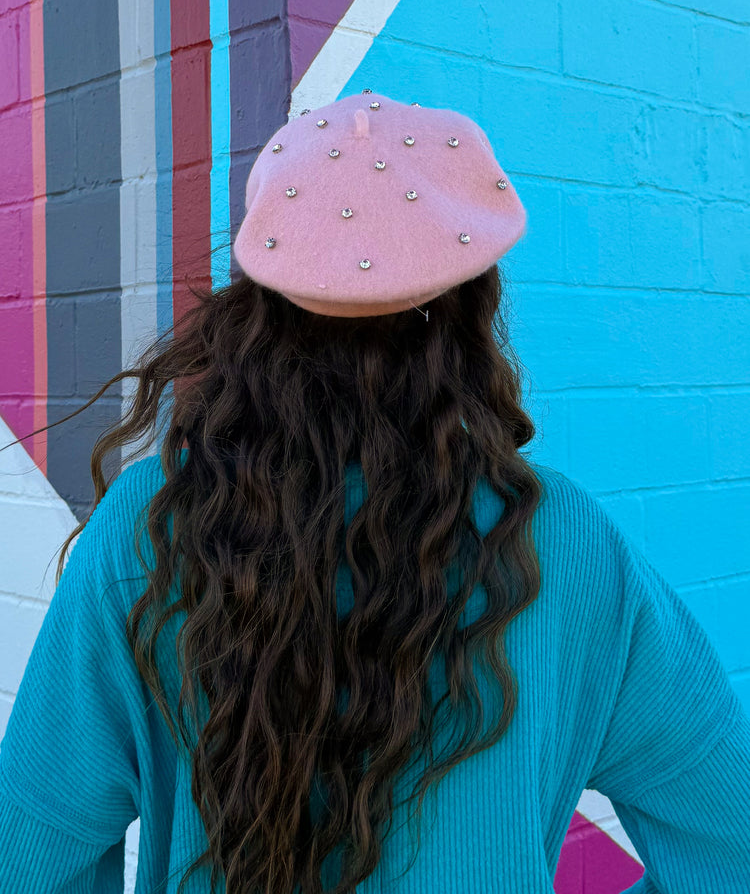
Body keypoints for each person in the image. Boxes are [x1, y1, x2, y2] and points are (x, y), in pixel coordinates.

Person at [0, 90, 748, 894]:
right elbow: (724, 836)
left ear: (260, 304)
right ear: (471, 309)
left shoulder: (149, 530)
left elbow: (35, 856)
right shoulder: (565, 540)